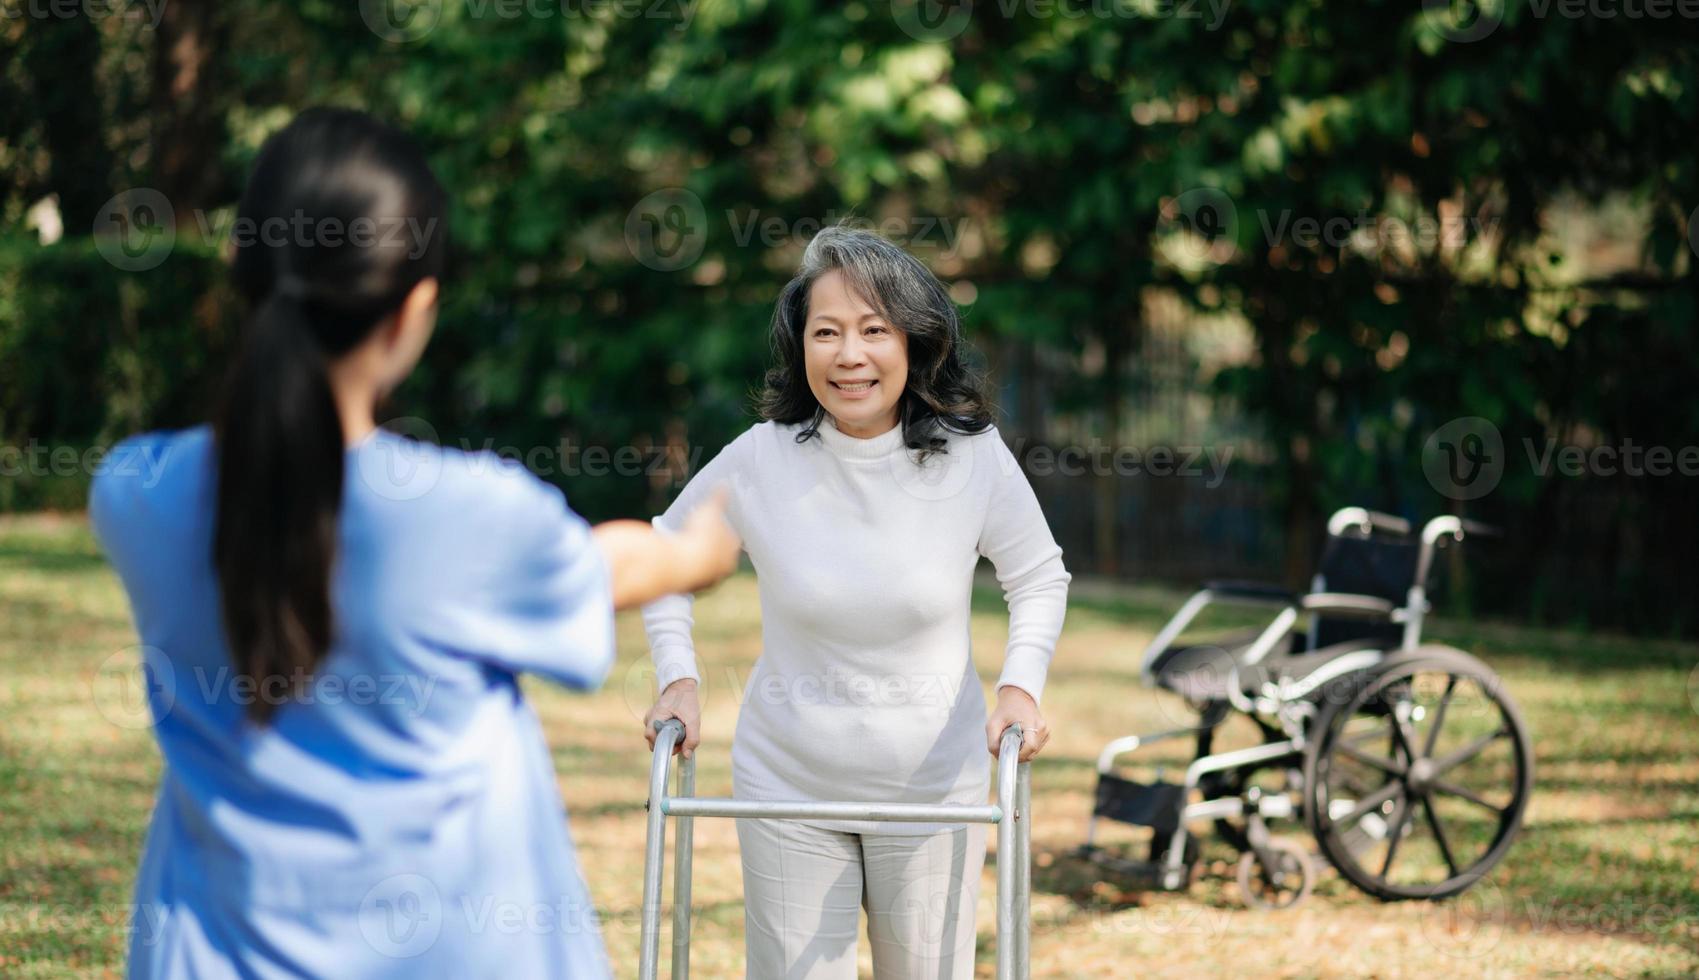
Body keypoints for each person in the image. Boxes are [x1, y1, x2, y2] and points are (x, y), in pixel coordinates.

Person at [89, 107, 740, 979]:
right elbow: (614, 563)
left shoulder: (137, 495)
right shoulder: (473, 515)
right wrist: (705, 544)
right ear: (414, 309)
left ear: (240, 265)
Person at [640, 225, 1071, 979]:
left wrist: (1018, 688)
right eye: (826, 332)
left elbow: (1037, 575)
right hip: (788, 788)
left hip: (935, 791)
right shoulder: (760, 457)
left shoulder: (971, 457)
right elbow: (662, 559)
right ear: (798, 346)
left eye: (874, 331)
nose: (848, 355)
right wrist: (679, 676)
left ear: (913, 342)